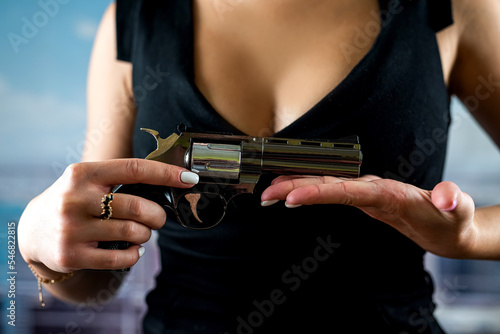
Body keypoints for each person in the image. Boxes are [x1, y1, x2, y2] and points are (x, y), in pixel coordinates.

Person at [18, 0, 500, 332]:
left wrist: (470, 236)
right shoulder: (136, 19)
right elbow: (96, 272)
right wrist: (39, 248)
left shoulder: (451, 9)